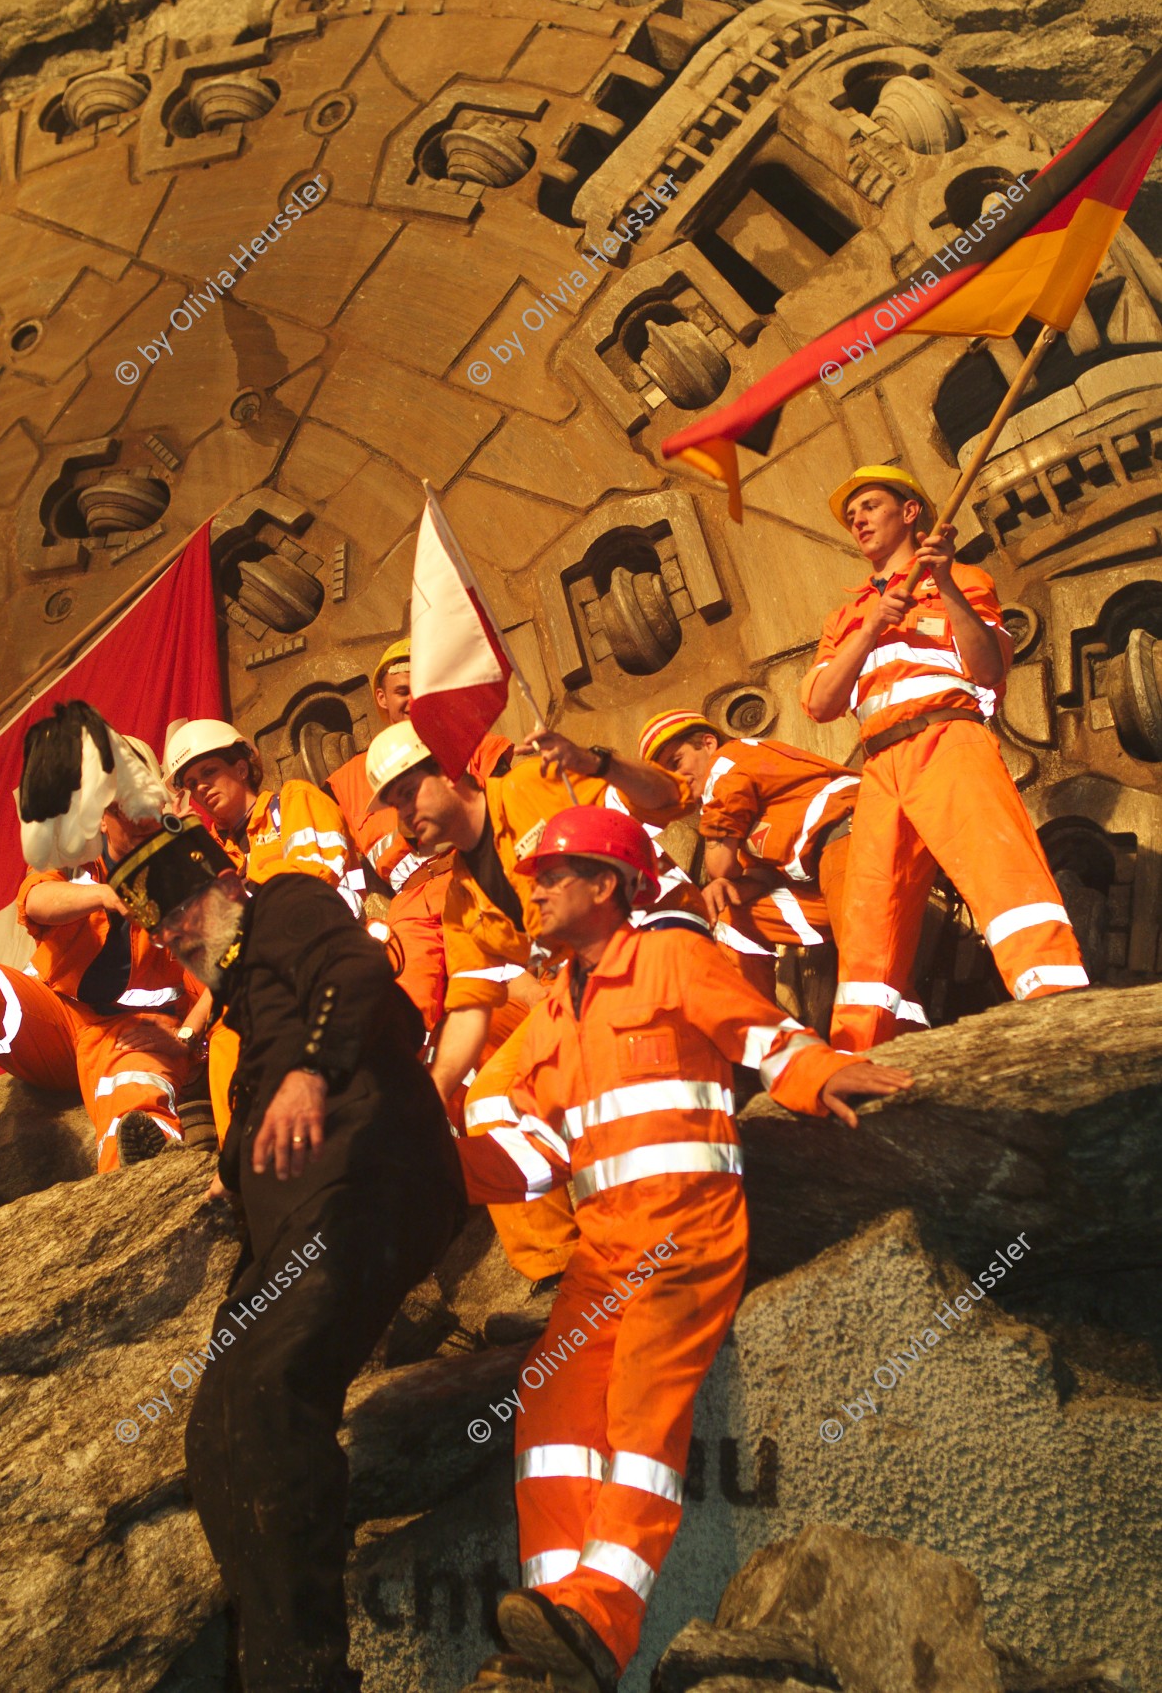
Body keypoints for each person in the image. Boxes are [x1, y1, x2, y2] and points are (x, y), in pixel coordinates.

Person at [453, 806, 911, 1692]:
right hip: (600, 1252)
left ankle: (601, 1617)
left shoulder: (668, 953)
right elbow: (538, 1154)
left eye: (555, 871)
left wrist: (821, 1074)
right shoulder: (552, 1006)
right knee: (549, 1422)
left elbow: (759, 1032)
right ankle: (551, 1637)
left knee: (637, 1412)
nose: (536, 887)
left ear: (608, 883)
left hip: (684, 1232)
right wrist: (434, 1168)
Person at [109, 814, 464, 1693]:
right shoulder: (247, 1011)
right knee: (220, 1426)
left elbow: (357, 971)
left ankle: (304, 1676)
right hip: (305, 1219)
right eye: (161, 926)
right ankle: (280, 1663)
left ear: (227, 882)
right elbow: (272, 1065)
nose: (175, 933)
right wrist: (233, 1173)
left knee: (270, 1390)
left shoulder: (288, 902)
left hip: (371, 1184)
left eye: (182, 907)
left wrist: (312, 1071)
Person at [364, 722, 695, 1297]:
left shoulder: (532, 784)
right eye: (392, 804)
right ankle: (557, 1276)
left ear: (448, 769)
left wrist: (600, 761)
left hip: (655, 945)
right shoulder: (461, 898)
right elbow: (470, 1007)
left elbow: (668, 798)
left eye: (406, 793)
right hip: (582, 989)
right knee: (491, 1097)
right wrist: (431, 1092)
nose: (401, 818)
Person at [802, 464, 1088, 1050]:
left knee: (1002, 874)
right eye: (852, 513)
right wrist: (869, 629)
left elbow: (988, 668)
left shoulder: (964, 579)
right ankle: (867, 1048)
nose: (858, 519)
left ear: (910, 512)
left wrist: (946, 584)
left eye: (871, 505)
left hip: (949, 741)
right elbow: (819, 703)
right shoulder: (846, 613)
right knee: (871, 914)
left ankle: (1058, 1005)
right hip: (879, 767)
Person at [0, 740, 207, 1170]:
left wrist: (186, 1037)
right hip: (56, 1018)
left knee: (133, 1095)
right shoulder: (77, 864)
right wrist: (106, 896)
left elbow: (223, 975)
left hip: (137, 1033)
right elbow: (35, 900)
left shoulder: (193, 872)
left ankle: (147, 1172)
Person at [162, 718, 364, 1142]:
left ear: (241, 766)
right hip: (266, 985)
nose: (200, 788)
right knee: (224, 1044)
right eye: (192, 782)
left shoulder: (292, 800)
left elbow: (315, 873)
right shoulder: (217, 852)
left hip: (326, 958)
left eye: (209, 772)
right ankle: (243, 1173)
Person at [637, 708, 859, 997]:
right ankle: (765, 1029)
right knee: (732, 919)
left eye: (676, 762)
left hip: (851, 840)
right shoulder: (739, 814)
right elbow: (756, 876)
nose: (676, 779)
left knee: (865, 968)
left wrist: (720, 877)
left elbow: (720, 865)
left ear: (708, 743)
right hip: (823, 883)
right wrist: (729, 890)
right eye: (666, 775)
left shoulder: (728, 762)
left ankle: (890, 1037)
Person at [324, 637, 420, 892]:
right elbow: (345, 867)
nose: (414, 699)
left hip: (474, 881)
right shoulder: (346, 782)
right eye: (402, 691)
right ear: (382, 697)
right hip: (410, 908)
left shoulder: (470, 743)